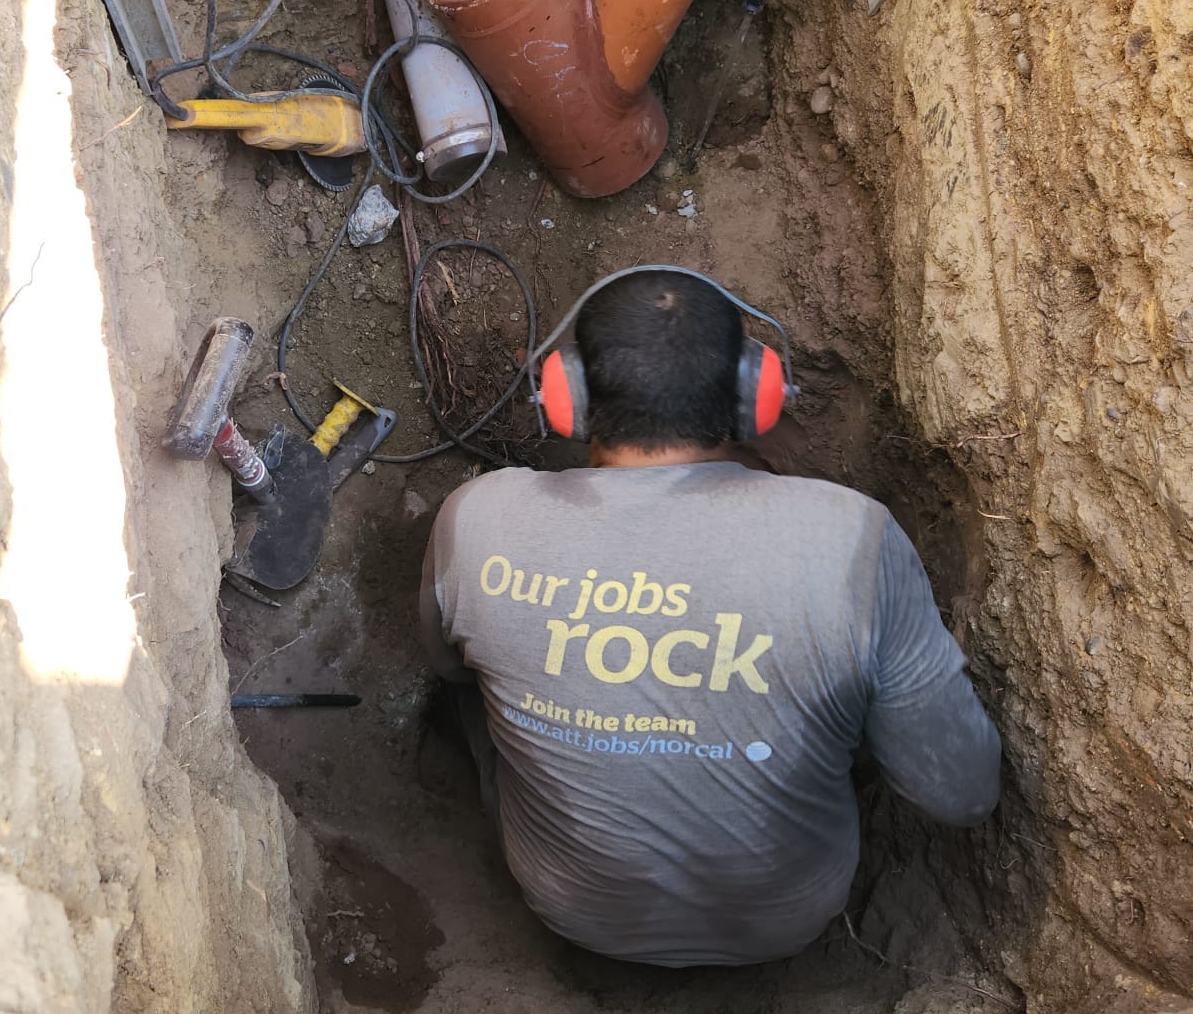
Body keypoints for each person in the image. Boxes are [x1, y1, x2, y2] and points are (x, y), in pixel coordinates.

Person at [418, 266, 1001, 968]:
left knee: (475, 696)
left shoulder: (480, 519)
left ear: (564, 397)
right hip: (788, 920)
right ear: (757, 395)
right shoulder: (851, 539)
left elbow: (442, 662)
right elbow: (961, 795)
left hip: (573, 908)